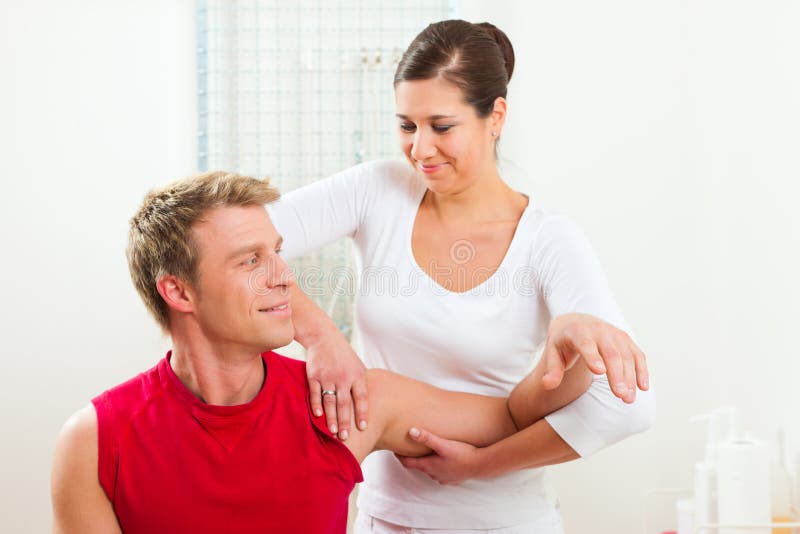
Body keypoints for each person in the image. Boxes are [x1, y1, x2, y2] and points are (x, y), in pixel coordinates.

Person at [267, 19, 656, 533]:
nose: (420, 149)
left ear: (496, 116)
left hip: (505, 522)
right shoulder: (377, 190)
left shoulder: (548, 240)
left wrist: (478, 465)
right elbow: (241, 242)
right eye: (406, 125)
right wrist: (321, 338)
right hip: (385, 519)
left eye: (441, 126)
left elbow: (627, 408)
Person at [50, 171, 596, 534]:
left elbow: (508, 416)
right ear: (179, 292)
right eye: (250, 261)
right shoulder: (95, 441)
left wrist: (569, 357)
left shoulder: (349, 404)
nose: (284, 276)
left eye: (278, 254)